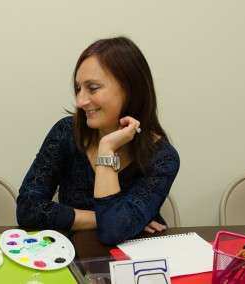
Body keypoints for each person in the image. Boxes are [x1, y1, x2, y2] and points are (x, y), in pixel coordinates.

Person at [17, 36, 180, 245]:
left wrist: (107, 148)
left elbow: (112, 233)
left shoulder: (163, 158)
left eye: (92, 88)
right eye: (78, 89)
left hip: (135, 264)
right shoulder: (66, 131)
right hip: (71, 257)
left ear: (130, 89)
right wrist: (105, 218)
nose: (80, 101)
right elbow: (27, 208)